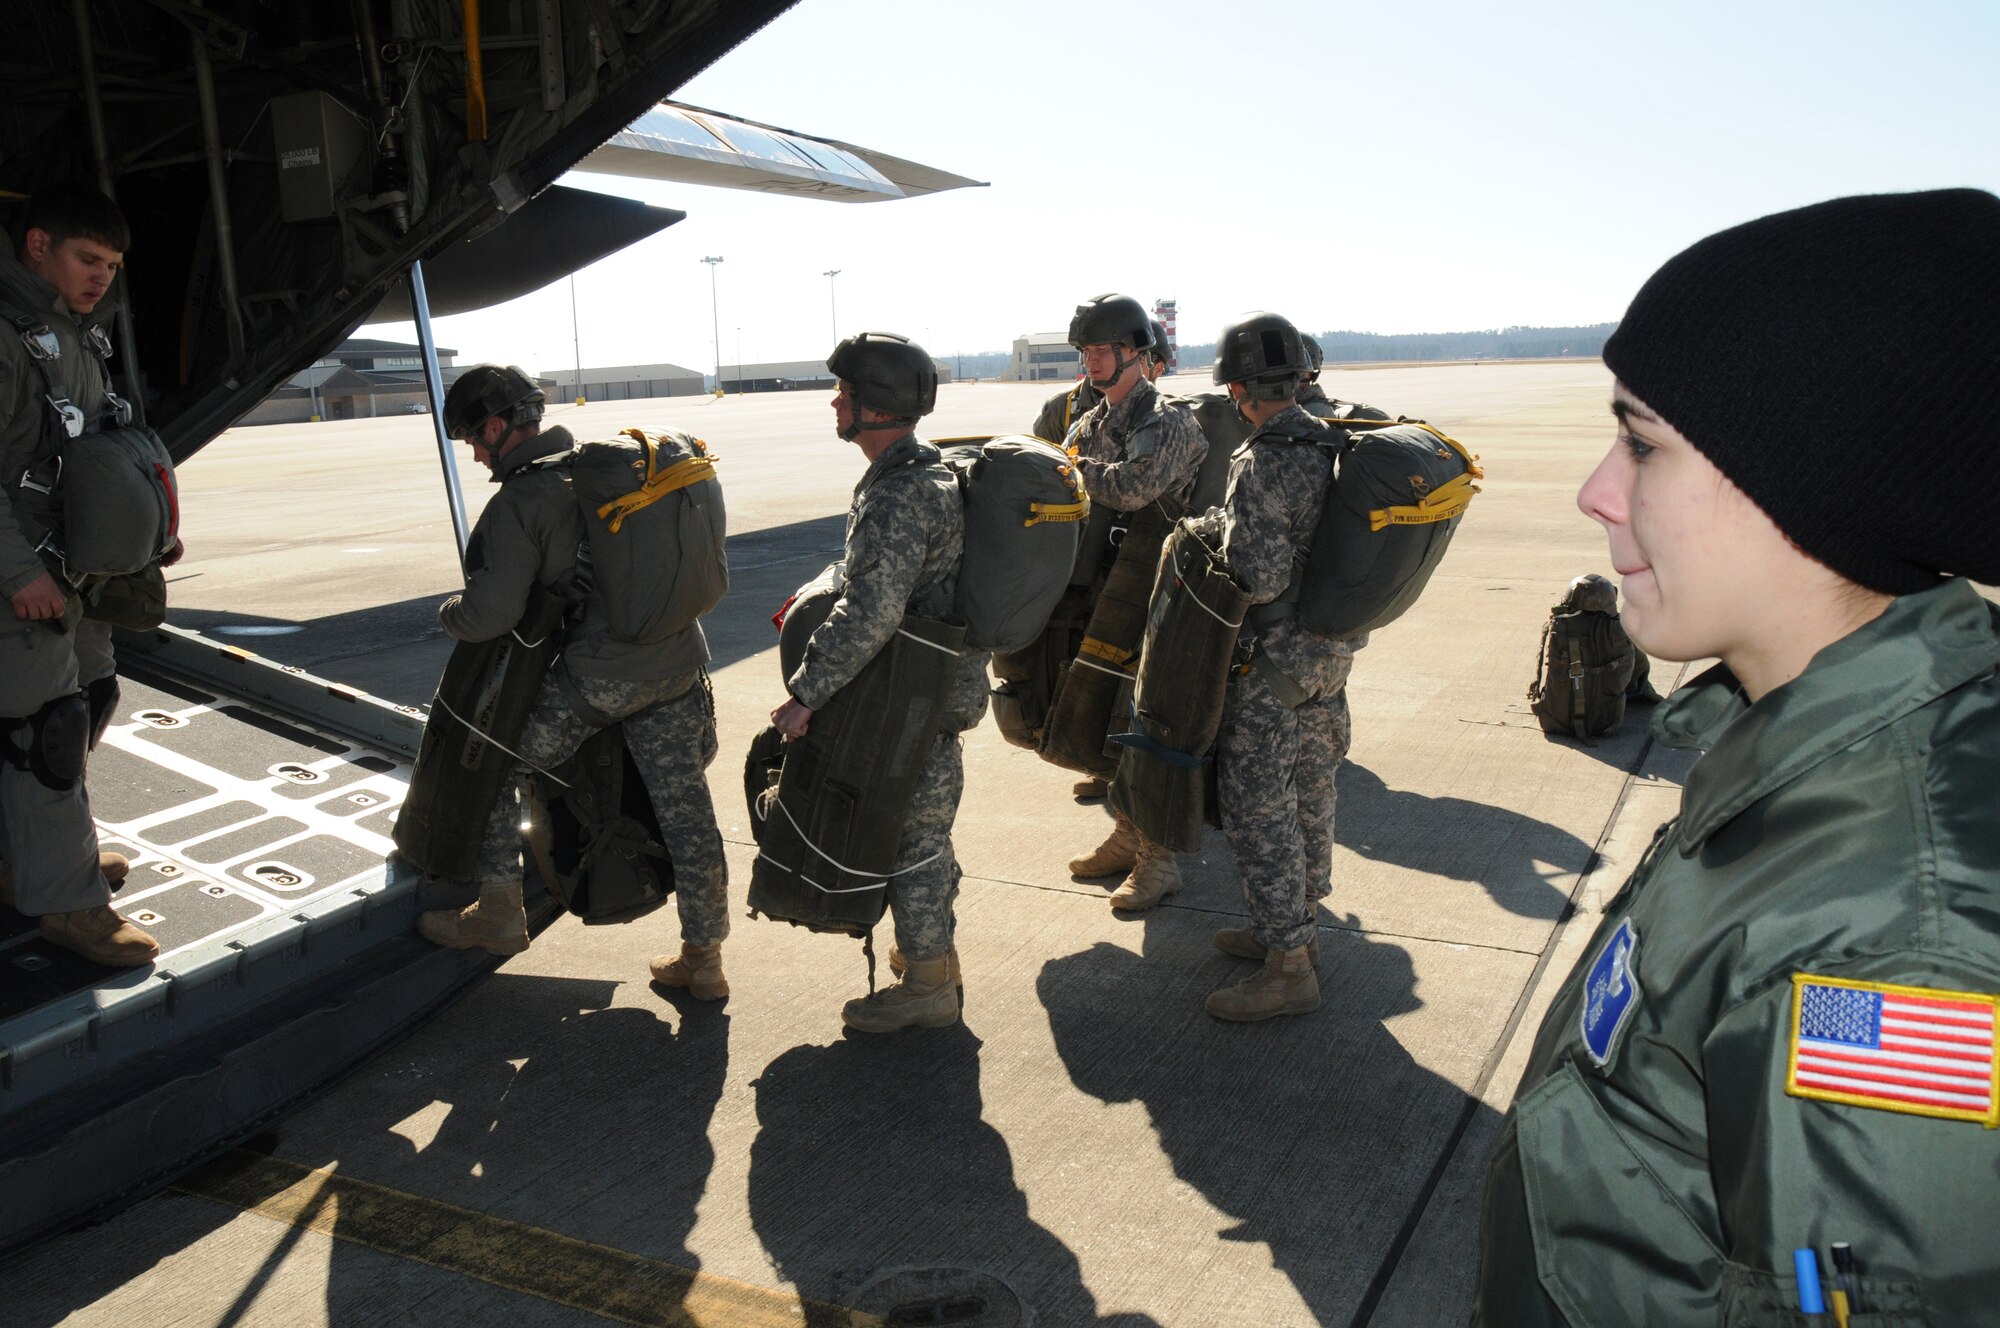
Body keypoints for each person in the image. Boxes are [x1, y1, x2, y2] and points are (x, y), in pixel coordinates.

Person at [1473, 188, 2000, 1325]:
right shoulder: (1798, 747)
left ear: (1808, 472)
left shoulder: (1891, 952)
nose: (1594, 490)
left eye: (1639, 441)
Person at [415, 365, 732, 998]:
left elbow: (491, 613)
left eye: (474, 440)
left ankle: (501, 913)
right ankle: (704, 959)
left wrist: (446, 611)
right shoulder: (595, 471)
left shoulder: (521, 500)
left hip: (603, 678)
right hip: (679, 662)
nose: (475, 455)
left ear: (499, 427)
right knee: (687, 809)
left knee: (498, 767)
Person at [774, 332, 989, 1033]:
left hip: (913, 699)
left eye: (846, 391)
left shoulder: (900, 495)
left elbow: (869, 611)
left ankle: (928, 984)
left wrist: (805, 696)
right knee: (923, 832)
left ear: (876, 405)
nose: (835, 401)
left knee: (913, 841)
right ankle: (934, 962)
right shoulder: (922, 475)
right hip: (929, 689)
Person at [1189, 312, 1359, 1021]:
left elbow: (1256, 576)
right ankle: (1297, 929)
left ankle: (1288, 964)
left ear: (1237, 389)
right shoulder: (1336, 445)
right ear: (1299, 379)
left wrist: (1217, 540)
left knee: (1259, 810)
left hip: (1274, 665)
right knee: (1313, 794)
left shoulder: (1260, 459)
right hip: (1331, 659)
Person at [0, 183, 153, 965]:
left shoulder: (75, 335)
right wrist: (18, 571)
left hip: (73, 571)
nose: (102, 276)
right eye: (87, 259)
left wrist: (146, 528)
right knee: (47, 731)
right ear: (37, 247)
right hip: (22, 577)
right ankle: (69, 907)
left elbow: (99, 447)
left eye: (113, 264)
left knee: (93, 695)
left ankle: (39, 857)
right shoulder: (8, 336)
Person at [1057, 294, 1207, 908]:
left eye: (1103, 351)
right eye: (1087, 352)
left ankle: (1158, 859)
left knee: (1151, 724)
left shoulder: (1168, 420)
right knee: (1113, 719)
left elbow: (1131, 488)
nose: (1092, 362)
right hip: (1115, 587)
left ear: (1136, 354)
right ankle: (1126, 833)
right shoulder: (1092, 422)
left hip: (1167, 592)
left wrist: (1066, 470)